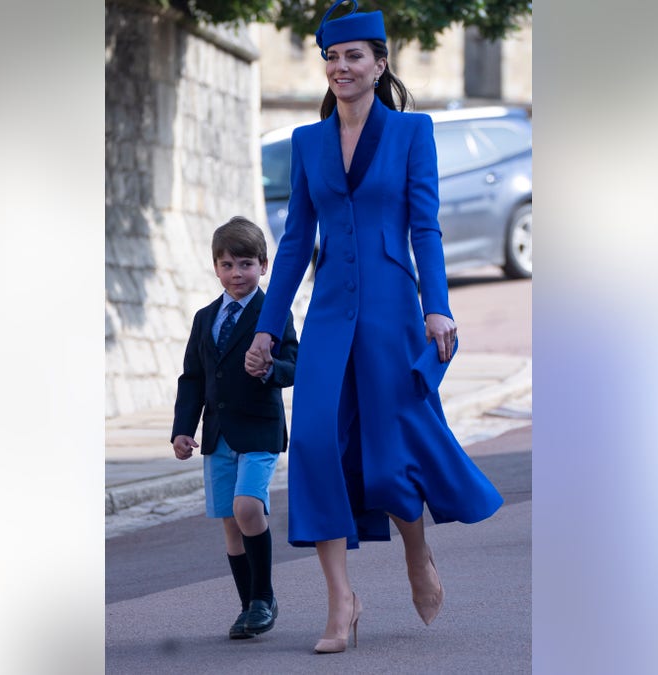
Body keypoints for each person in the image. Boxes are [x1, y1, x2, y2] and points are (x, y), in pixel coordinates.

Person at [245, 0, 505, 655]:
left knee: (390, 463)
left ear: (380, 61)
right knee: (310, 444)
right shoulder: (308, 142)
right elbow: (297, 239)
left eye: (353, 56)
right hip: (331, 309)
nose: (340, 67)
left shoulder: (413, 133)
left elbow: (426, 226)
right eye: (330, 57)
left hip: (391, 307)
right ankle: (342, 601)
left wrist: (437, 304)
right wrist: (267, 327)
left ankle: (417, 552)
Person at [171, 216, 299, 640]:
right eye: (227, 264)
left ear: (263, 265)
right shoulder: (205, 318)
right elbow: (192, 377)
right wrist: (183, 428)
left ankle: (264, 597)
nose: (236, 273)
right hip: (217, 435)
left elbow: (296, 364)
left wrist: (269, 370)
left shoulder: (273, 312)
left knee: (248, 507)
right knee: (230, 520)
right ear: (215, 268)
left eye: (245, 263)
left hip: (260, 429)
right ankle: (248, 607)